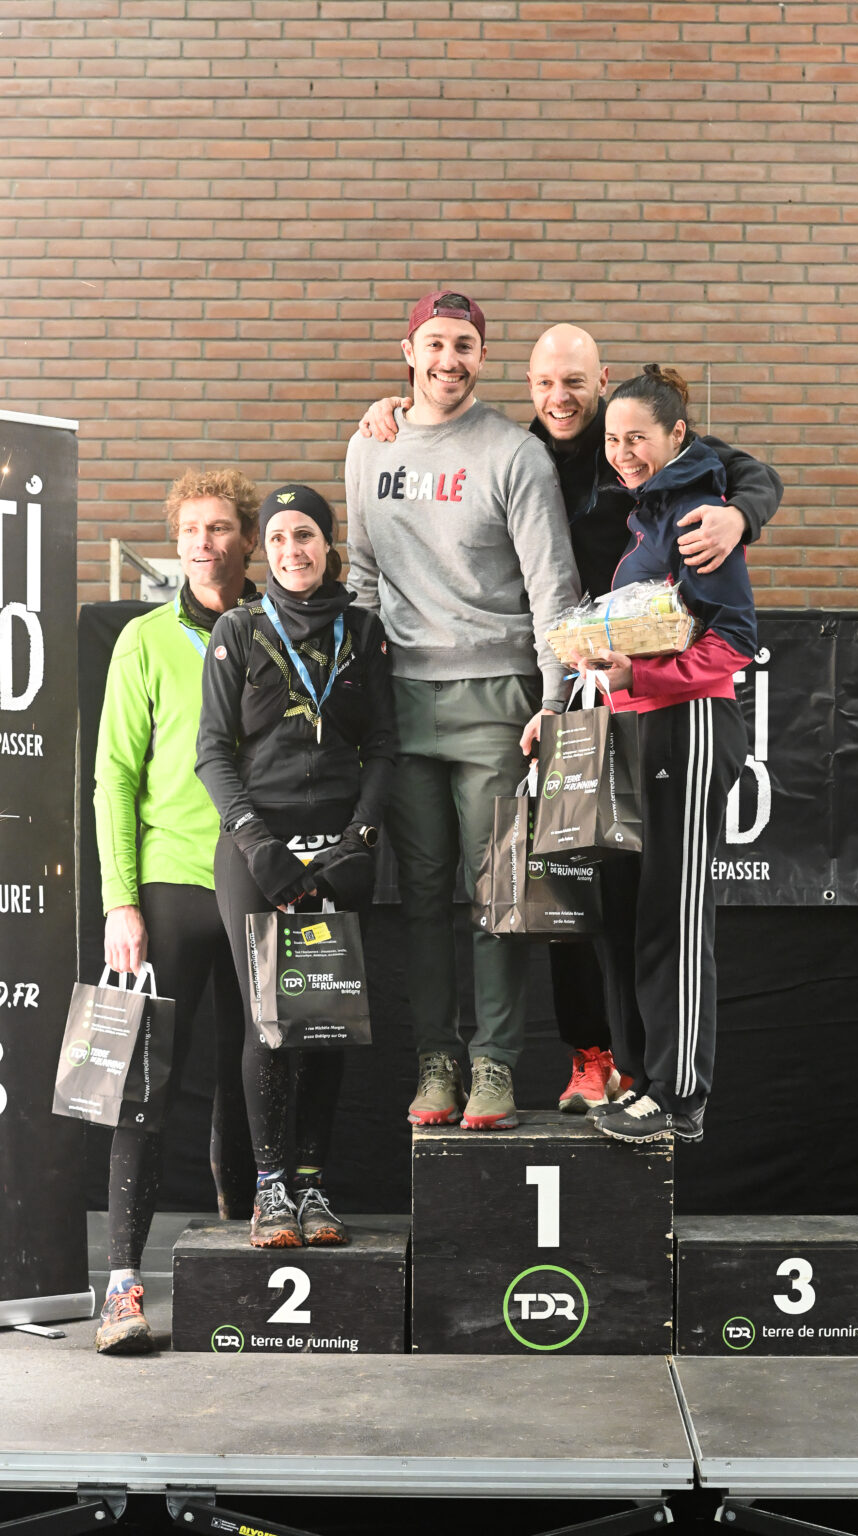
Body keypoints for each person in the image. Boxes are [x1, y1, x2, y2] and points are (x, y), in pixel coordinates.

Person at [359, 323, 783, 1115]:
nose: (561, 399)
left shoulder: (672, 477)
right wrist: (397, 413)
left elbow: (747, 479)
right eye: (547, 383)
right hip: (589, 697)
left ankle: (673, 1092)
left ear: (605, 382)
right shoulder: (523, 453)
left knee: (660, 911)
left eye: (576, 384)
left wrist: (742, 517)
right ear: (527, 384)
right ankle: (607, 1060)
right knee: (585, 892)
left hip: (656, 701)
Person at [344, 290, 581, 1132]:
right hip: (402, 699)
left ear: (483, 358)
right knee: (420, 898)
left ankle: (494, 1063)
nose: (450, 360)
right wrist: (358, 692)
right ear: (409, 351)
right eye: (437, 343)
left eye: (467, 346)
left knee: (496, 894)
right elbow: (362, 576)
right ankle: (436, 1061)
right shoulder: (369, 445)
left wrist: (553, 699)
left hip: (496, 697)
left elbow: (553, 586)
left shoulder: (515, 454)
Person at [536, 363, 759, 1143]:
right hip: (634, 728)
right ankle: (640, 1080)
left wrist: (645, 675)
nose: (623, 452)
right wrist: (579, 690)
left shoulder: (699, 514)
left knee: (672, 916)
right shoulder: (647, 516)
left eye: (639, 437)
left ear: (677, 435)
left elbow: (735, 638)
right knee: (625, 918)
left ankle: (680, 1096)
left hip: (687, 727)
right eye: (614, 439)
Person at [196, 484, 396, 1248]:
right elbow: (211, 753)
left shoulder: (363, 630)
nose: (291, 551)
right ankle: (270, 1187)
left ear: (328, 544)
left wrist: (359, 839)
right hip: (259, 853)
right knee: (271, 1023)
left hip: (341, 851)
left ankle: (312, 1186)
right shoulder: (239, 629)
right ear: (264, 549)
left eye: (305, 535)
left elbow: (383, 747)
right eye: (278, 538)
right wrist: (258, 845)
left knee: (326, 1021)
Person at [93, 467, 260, 1355]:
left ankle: (246, 1265)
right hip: (169, 888)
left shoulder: (280, 629)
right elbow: (113, 776)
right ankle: (121, 1285)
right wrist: (121, 899)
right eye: (190, 528)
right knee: (143, 1088)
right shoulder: (145, 640)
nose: (203, 541)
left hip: (261, 885)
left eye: (220, 526)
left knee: (253, 1079)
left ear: (247, 539)